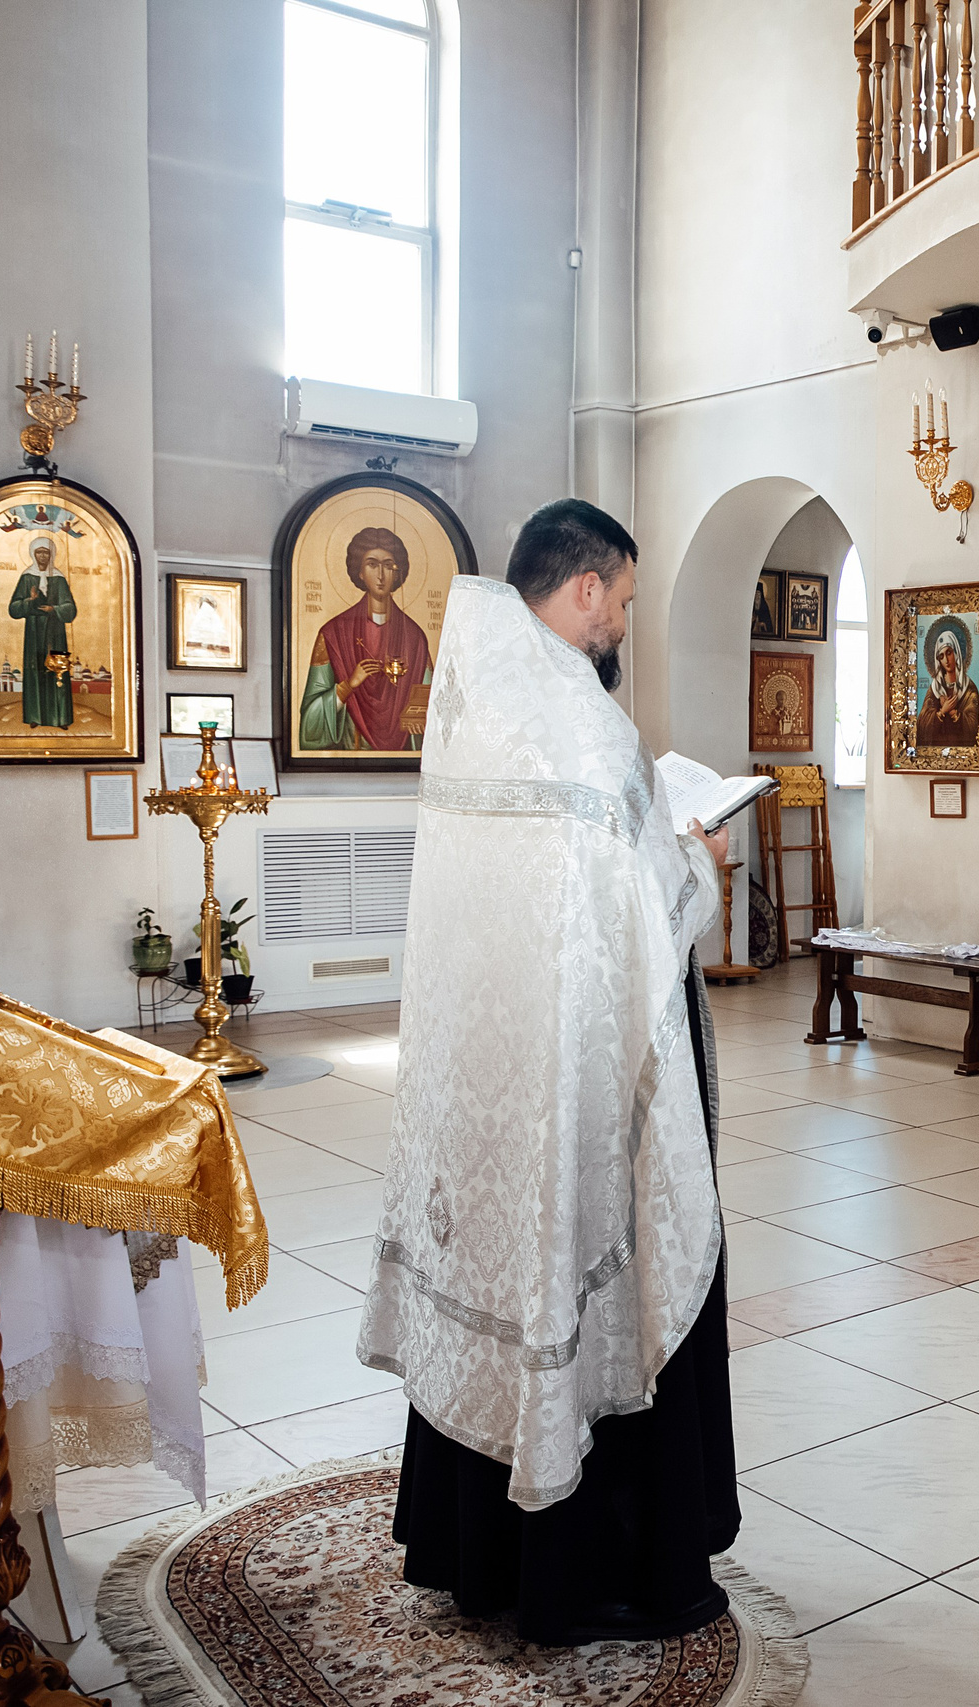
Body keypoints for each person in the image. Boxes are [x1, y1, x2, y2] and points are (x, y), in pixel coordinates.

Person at [356, 497, 740, 1645]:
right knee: (598, 1264)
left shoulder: (475, 701)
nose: (622, 618)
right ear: (585, 590)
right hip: (572, 1074)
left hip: (490, 1064)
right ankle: (605, 1575)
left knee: (494, 1265)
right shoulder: (583, 727)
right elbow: (642, 910)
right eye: (622, 599)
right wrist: (700, 858)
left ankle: (471, 1551)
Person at [300, 526, 434, 752]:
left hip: (404, 759)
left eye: (389, 565)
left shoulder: (415, 637)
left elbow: (431, 704)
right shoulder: (333, 633)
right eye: (372, 564)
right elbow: (308, 727)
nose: (381, 575)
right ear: (360, 572)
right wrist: (349, 685)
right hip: (352, 750)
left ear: (398, 572)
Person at [8, 539, 77, 729]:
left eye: (46, 552)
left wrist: (54, 609)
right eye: (39, 552)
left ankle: (60, 718)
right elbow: (13, 609)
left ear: (51, 555)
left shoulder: (59, 578)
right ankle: (35, 716)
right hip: (34, 632)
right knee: (35, 670)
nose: (43, 556)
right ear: (33, 554)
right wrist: (30, 601)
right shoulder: (27, 577)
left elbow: (70, 609)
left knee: (58, 672)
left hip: (56, 633)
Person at [914, 630, 979, 748]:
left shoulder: (969, 689)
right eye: (941, 656)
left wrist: (953, 712)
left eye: (949, 653)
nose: (946, 660)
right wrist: (942, 711)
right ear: (938, 660)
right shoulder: (935, 688)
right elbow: (921, 726)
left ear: (956, 653)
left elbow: (974, 726)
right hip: (936, 751)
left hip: (962, 751)